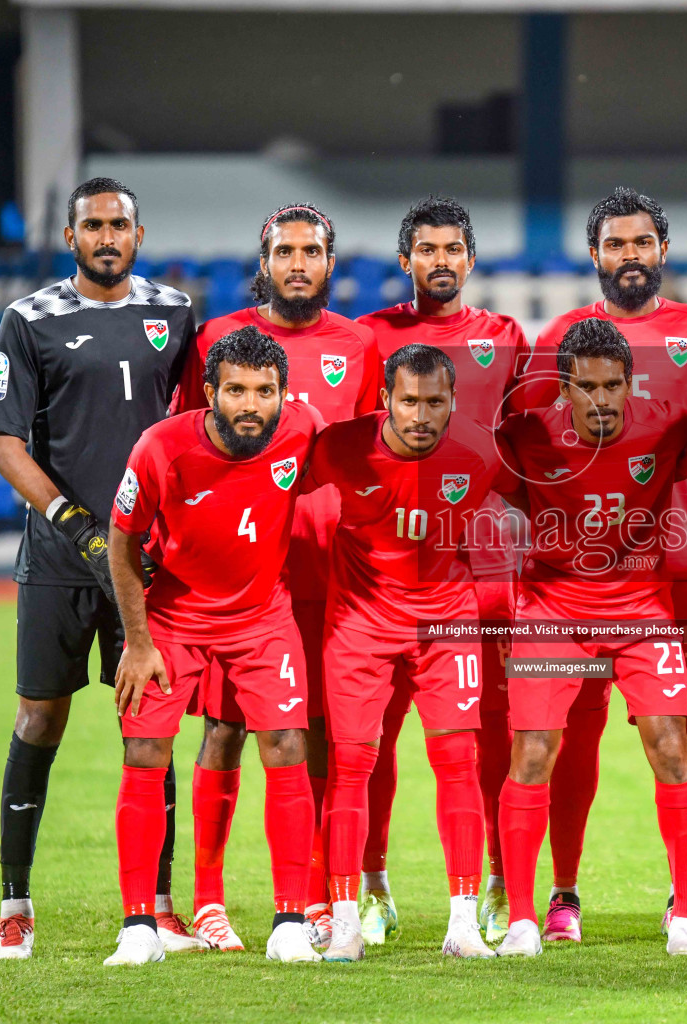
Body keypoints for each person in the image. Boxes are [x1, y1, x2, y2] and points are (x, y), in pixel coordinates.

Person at [0, 177, 196, 960]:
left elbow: (195, 427)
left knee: (152, 728)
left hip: (147, 562)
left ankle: (162, 907)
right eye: (92, 225)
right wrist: (75, 523)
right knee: (40, 716)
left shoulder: (176, 313)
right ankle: (15, 907)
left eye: (119, 225)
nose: (107, 236)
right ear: (70, 238)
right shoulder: (28, 319)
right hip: (60, 561)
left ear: (140, 234)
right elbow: (7, 445)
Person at [511, 187, 687, 940]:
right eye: (616, 244)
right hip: (566, 579)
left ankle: (685, 899)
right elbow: (532, 440)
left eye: (642, 243)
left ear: (662, 251)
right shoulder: (565, 335)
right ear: (596, 254)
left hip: (665, 574)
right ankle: (562, 895)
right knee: (566, 737)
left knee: (674, 737)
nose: (630, 256)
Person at [170, 204, 382, 951]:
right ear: (263, 261)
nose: (298, 263)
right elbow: (185, 448)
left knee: (315, 732)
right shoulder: (215, 341)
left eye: (312, 251)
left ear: (332, 262)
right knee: (224, 728)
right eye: (285, 251)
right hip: (237, 575)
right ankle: (208, 899)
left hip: (328, 570)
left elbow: (364, 460)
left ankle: (318, 895)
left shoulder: (359, 345)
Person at [103, 327, 321, 966]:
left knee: (286, 745)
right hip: (174, 619)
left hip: (262, 619)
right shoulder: (160, 449)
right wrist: (138, 642)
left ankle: (288, 923)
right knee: (144, 750)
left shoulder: (302, 429)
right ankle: (139, 926)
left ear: (283, 394)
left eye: (264, 391)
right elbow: (121, 542)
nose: (251, 404)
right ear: (208, 393)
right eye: (235, 391)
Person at [494, 319, 687, 957]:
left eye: (615, 386)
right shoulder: (526, 434)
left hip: (642, 608)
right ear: (564, 387)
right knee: (533, 752)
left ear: (629, 383)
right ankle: (525, 921)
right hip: (552, 608)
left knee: (672, 746)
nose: (604, 401)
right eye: (588, 388)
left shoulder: (669, 422)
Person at [307, 342, 518, 962]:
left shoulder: (480, 449)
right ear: (384, 401)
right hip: (360, 625)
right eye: (408, 401)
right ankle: (345, 921)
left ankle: (462, 925)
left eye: (434, 402)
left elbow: (538, 498)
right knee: (351, 767)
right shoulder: (339, 447)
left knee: (458, 762)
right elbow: (267, 491)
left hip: (446, 624)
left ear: (453, 402)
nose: (421, 415)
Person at [354, 196, 527, 945]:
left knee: (486, 731)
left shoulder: (504, 337)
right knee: (375, 738)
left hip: (485, 566)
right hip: (387, 567)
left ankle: (492, 881)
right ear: (405, 262)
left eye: (453, 248)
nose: (441, 261)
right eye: (426, 249)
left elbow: (527, 447)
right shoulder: (369, 338)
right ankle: (372, 884)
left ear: (471, 258)